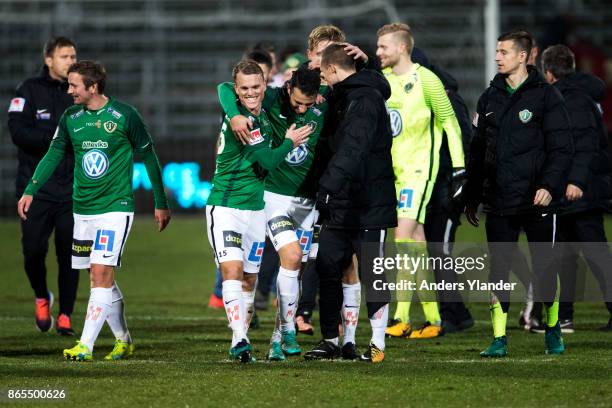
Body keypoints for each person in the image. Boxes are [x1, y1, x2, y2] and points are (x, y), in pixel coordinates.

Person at [17, 60, 171, 361]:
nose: (69, 90)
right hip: (83, 209)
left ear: (93, 87)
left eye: (74, 85)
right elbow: (54, 153)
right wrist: (31, 189)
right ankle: (123, 339)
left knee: (101, 272)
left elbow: (149, 156)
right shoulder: (72, 117)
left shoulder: (125, 115)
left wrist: (160, 201)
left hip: (115, 207)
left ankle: (85, 346)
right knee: (99, 278)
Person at [465, 30, 573, 357]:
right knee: (497, 270)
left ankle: (553, 328)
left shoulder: (545, 96)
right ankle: (499, 339)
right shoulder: (490, 97)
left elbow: (562, 148)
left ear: (523, 56)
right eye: (497, 51)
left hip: (536, 199)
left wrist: (548, 186)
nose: (497, 56)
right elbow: (479, 150)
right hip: (499, 200)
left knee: (544, 269)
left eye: (503, 51)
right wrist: (472, 194)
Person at [217, 62, 329, 360]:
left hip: (308, 201)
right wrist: (235, 114)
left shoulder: (325, 101)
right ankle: (285, 328)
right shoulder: (269, 98)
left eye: (308, 104)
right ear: (288, 89)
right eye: (297, 103)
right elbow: (226, 88)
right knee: (290, 256)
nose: (302, 110)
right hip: (275, 198)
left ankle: (279, 338)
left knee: (295, 268)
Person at [304, 43, 396, 363]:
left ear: (331, 70)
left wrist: (326, 187)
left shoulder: (365, 98)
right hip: (341, 200)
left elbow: (353, 148)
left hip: (370, 202)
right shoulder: (340, 98)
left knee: (373, 271)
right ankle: (331, 339)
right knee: (328, 266)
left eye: (323, 72)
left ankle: (377, 343)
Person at [375, 23, 465, 339]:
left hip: (418, 172)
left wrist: (459, 170)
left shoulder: (427, 80)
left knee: (401, 240)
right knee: (416, 245)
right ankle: (433, 318)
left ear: (402, 48)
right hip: (392, 174)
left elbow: (451, 125)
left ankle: (399, 317)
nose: (378, 53)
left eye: (383, 47)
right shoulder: (383, 82)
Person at [8, 36, 79, 335]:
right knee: (33, 251)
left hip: (70, 190)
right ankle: (41, 296)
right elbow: (17, 132)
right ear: (48, 59)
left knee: (70, 254)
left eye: (74, 56)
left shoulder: (79, 92)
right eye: (65, 56)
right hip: (34, 189)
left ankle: (65, 314)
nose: (71, 62)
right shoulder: (28, 90)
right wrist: (56, 140)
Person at [541, 44, 612, 332]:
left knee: (595, 254)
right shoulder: (580, 95)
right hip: (570, 189)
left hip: (580, 189)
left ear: (548, 72)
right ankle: (565, 315)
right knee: (566, 255)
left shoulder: (573, 99)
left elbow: (585, 146)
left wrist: (576, 182)